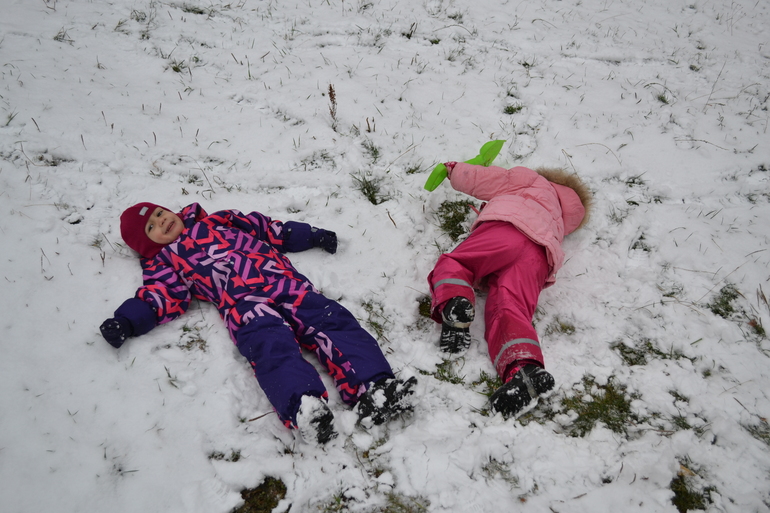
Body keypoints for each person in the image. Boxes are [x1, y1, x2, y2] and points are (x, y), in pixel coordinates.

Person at [100, 202, 416, 446]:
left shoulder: (219, 220)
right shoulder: (165, 261)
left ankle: (374, 386)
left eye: (159, 213)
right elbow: (160, 294)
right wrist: (126, 321)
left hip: (287, 285)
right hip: (244, 307)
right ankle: (304, 408)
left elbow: (269, 229)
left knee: (332, 323)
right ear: (148, 245)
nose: (162, 221)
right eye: (152, 227)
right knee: (271, 350)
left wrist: (311, 235)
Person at [427, 162, 591, 419]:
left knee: (458, 263)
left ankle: (454, 300)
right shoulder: (561, 220)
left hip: (507, 229)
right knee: (511, 307)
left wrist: (456, 170)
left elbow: (488, 179)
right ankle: (524, 369)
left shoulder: (532, 180)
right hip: (539, 256)